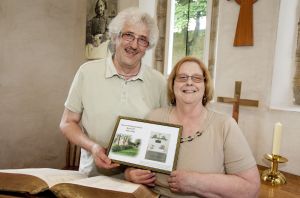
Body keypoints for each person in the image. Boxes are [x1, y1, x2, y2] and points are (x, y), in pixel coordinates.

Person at [124, 56, 260, 198]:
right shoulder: (154, 118)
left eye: (196, 78)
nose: (189, 82)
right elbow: (131, 165)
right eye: (182, 77)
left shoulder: (225, 125)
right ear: (172, 84)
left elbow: (252, 188)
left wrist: (196, 182)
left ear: (205, 85)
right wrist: (130, 174)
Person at [60, 7, 168, 177]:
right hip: (92, 177)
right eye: (128, 35)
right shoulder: (87, 72)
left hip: (140, 182)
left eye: (142, 40)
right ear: (115, 36)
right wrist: (93, 147)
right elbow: (67, 123)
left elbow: (165, 134)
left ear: (148, 46)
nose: (134, 45)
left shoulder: (159, 82)